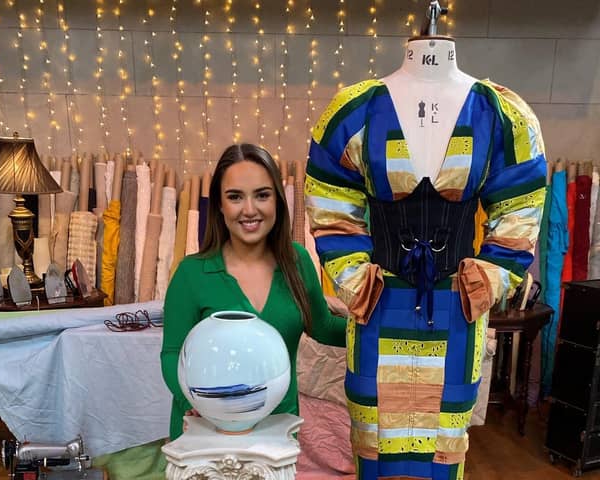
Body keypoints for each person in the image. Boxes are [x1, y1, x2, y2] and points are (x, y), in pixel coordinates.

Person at [305, 27, 547, 480]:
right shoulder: (355, 113)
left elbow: (521, 208)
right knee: (373, 436)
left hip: (458, 311)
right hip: (376, 308)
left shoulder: (500, 114)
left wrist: (491, 279)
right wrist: (354, 275)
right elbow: (330, 202)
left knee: (445, 439)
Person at [161, 143, 347, 440]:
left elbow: (323, 327)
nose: (250, 209)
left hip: (276, 429)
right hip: (205, 430)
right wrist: (194, 404)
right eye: (235, 197)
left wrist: (380, 327)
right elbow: (172, 353)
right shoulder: (191, 274)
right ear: (220, 205)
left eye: (262, 195)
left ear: (277, 201)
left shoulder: (298, 262)